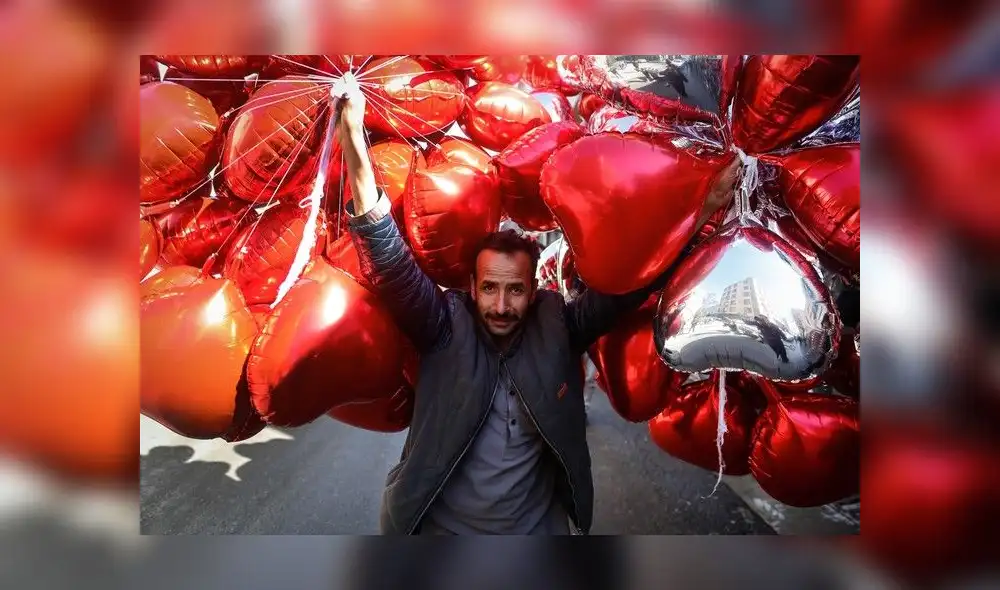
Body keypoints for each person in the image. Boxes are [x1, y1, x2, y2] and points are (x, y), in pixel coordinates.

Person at [335, 82, 739, 535]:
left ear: (535, 291)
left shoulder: (557, 327)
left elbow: (629, 285)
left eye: (515, 291)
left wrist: (703, 209)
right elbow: (389, 261)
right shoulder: (444, 326)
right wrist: (352, 136)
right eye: (490, 289)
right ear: (471, 288)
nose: (502, 306)